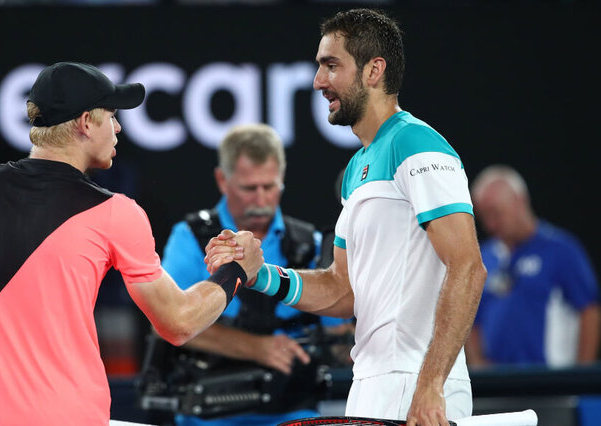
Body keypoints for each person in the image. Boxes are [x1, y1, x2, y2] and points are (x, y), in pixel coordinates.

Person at [0, 62, 264, 426]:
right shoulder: (116, 212)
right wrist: (235, 272)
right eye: (112, 116)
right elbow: (178, 323)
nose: (119, 128)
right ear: (86, 123)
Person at [207, 8, 486, 426]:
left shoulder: (417, 144)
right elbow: (343, 290)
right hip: (369, 385)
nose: (319, 82)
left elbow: (467, 267)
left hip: (418, 387)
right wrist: (260, 273)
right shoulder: (357, 168)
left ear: (374, 71)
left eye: (331, 66)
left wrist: (430, 386)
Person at [160, 123, 349, 426]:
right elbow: (167, 321)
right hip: (207, 416)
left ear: (282, 179)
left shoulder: (309, 243)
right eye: (249, 188)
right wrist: (257, 348)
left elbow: (338, 336)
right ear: (223, 180)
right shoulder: (191, 238)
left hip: (294, 411)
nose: (261, 199)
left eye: (270, 186)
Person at [465, 165, 600, 367]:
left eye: (496, 213)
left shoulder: (561, 250)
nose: (491, 225)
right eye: (484, 217)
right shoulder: (483, 257)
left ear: (519, 201)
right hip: (496, 386)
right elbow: (470, 319)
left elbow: (589, 311)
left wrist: (580, 377)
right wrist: (477, 364)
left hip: (549, 384)